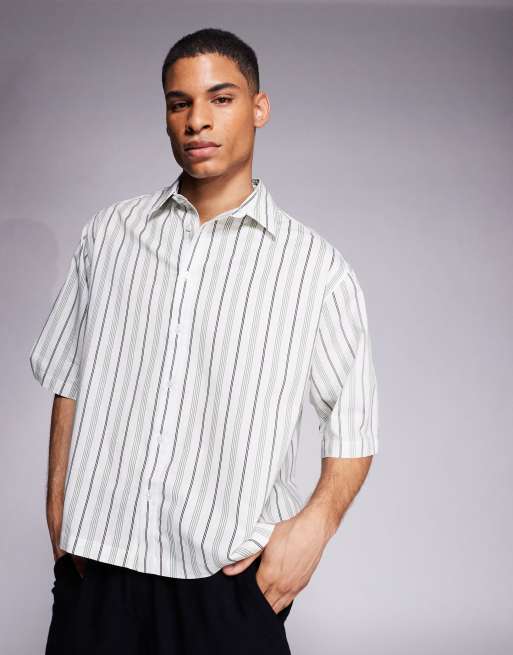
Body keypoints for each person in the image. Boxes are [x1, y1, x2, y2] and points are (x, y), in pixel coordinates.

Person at [29, 27, 379, 655]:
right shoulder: (108, 236)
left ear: (259, 107)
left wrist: (314, 529)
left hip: (225, 585)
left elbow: (353, 426)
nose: (197, 120)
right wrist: (59, 516)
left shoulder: (316, 269)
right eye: (179, 103)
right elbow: (68, 380)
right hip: (99, 573)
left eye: (221, 98)